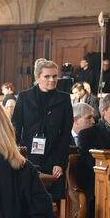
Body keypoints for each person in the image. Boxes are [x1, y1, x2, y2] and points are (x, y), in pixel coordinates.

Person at [12, 59, 72, 201]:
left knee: (52, 199)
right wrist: (16, 155)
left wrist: (60, 162)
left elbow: (65, 134)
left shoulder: (64, 99)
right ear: (38, 77)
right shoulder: (24, 97)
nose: (52, 80)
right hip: (27, 155)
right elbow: (15, 128)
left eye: (55, 76)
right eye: (47, 76)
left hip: (53, 155)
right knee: (26, 197)